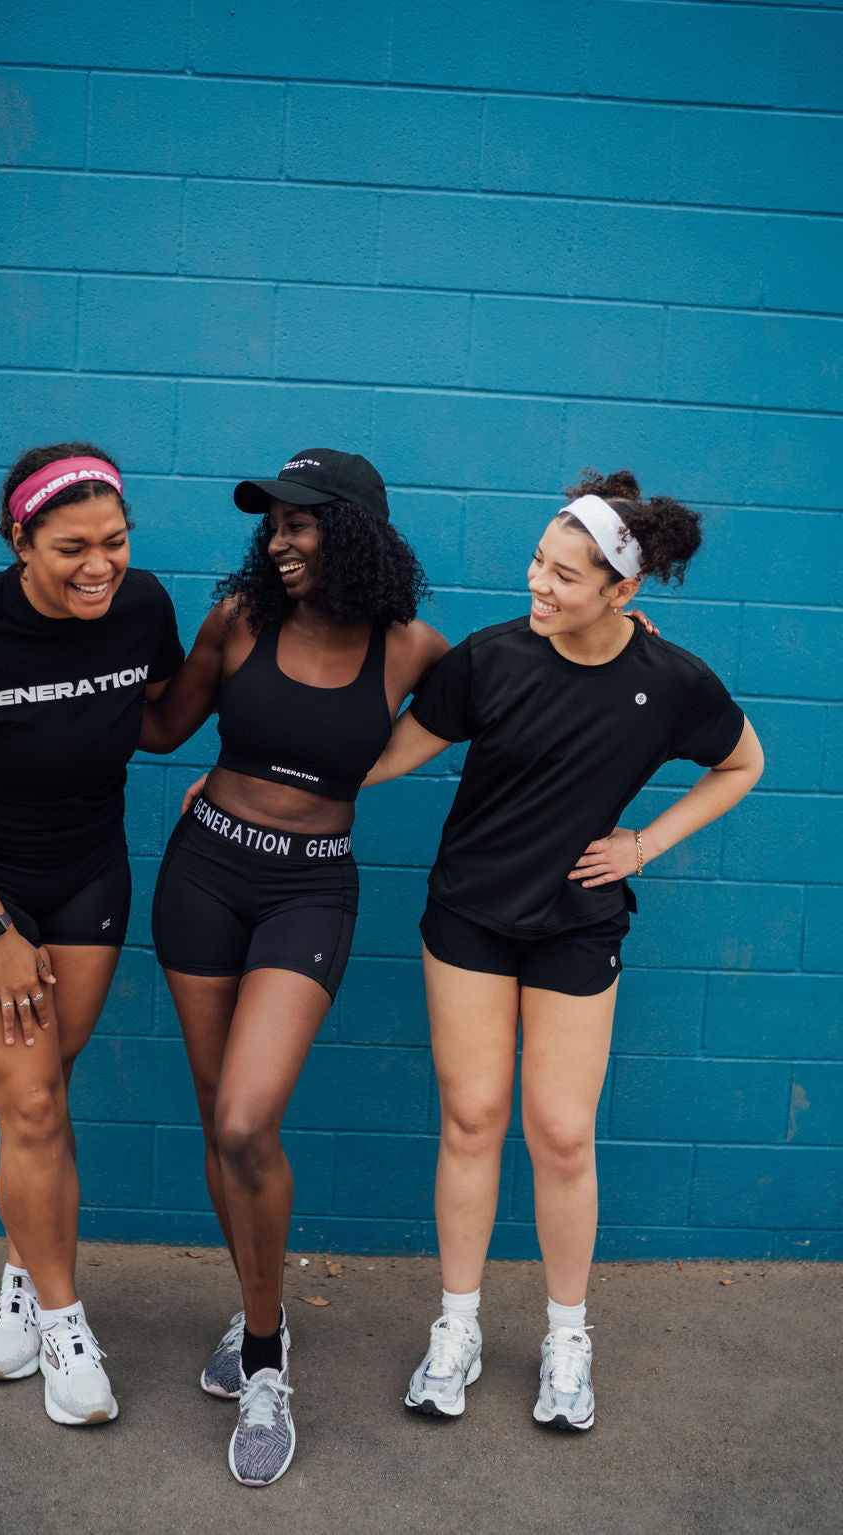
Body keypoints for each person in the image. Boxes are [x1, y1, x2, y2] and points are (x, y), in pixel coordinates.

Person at [363, 469, 763, 1432]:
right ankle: (456, 1327)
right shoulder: (490, 659)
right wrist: (272, 779)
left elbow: (743, 763)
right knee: (471, 1119)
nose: (537, 584)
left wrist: (644, 844)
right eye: (539, 562)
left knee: (563, 1133)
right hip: (468, 917)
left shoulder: (670, 682)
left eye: (564, 576)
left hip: (578, 924)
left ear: (622, 593)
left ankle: (566, 1337)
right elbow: (382, 759)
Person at [138, 448, 448, 1485]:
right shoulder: (238, 620)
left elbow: (524, 689)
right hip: (204, 872)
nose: (279, 538)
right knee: (211, 1115)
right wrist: (74, 637)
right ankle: (255, 1308)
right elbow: (160, 724)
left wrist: (620, 640)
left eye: (302, 522)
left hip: (310, 887)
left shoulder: (412, 648)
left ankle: (266, 1357)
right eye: (272, 522)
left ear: (355, 530)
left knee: (244, 1117)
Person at [0, 443, 183, 1426]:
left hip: (88, 872)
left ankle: (19, 1279)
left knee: (50, 1085)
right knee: (32, 1104)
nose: (98, 563)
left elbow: (158, 724)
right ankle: (62, 1324)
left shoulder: (142, 606)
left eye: (114, 539)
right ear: (20, 539)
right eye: (70, 547)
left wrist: (236, 636)